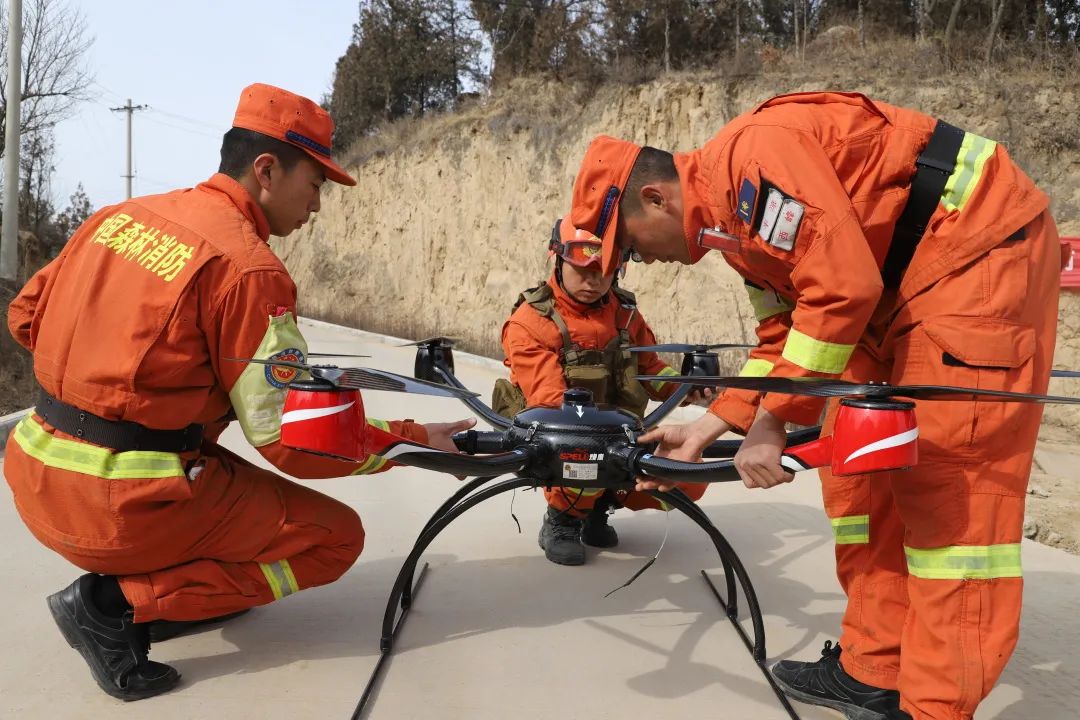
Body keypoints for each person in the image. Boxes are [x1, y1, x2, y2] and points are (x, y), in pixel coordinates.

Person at [558, 91, 1061, 720]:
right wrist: (710, 427)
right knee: (865, 480)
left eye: (630, 245)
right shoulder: (736, 236)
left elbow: (842, 287)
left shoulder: (753, 159)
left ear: (656, 198)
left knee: (949, 496)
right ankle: (873, 671)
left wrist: (769, 426)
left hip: (971, 258)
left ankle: (934, 708)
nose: (642, 263)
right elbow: (783, 340)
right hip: (894, 289)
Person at [4, 83, 474, 701]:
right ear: (267, 170)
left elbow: (25, 318)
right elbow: (292, 439)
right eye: (316, 184)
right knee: (335, 539)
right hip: (122, 508)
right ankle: (116, 604)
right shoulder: (249, 269)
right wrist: (409, 443)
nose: (318, 205)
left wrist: (122, 377)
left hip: (33, 480)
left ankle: (157, 593)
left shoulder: (117, 219)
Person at [495, 223, 711, 566]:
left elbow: (650, 368)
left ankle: (598, 507)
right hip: (566, 439)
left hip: (622, 436)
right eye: (582, 270)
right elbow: (549, 401)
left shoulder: (625, 313)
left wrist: (685, 386)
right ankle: (562, 519)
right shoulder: (529, 322)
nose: (593, 281)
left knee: (689, 476)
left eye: (604, 270)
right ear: (557, 259)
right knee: (583, 451)